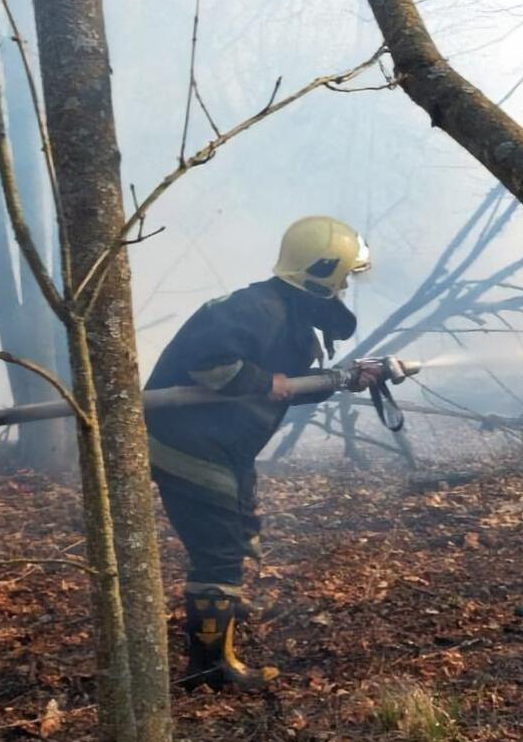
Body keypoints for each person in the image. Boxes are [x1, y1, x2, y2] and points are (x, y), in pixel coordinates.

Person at [146, 216, 380, 691]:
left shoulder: (285, 310)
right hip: (189, 445)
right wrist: (259, 381)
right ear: (324, 274)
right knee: (220, 550)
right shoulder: (256, 310)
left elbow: (286, 386)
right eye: (345, 277)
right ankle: (210, 666)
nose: (348, 285)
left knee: (240, 524)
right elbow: (209, 363)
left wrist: (346, 378)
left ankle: (221, 614)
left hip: (216, 444)